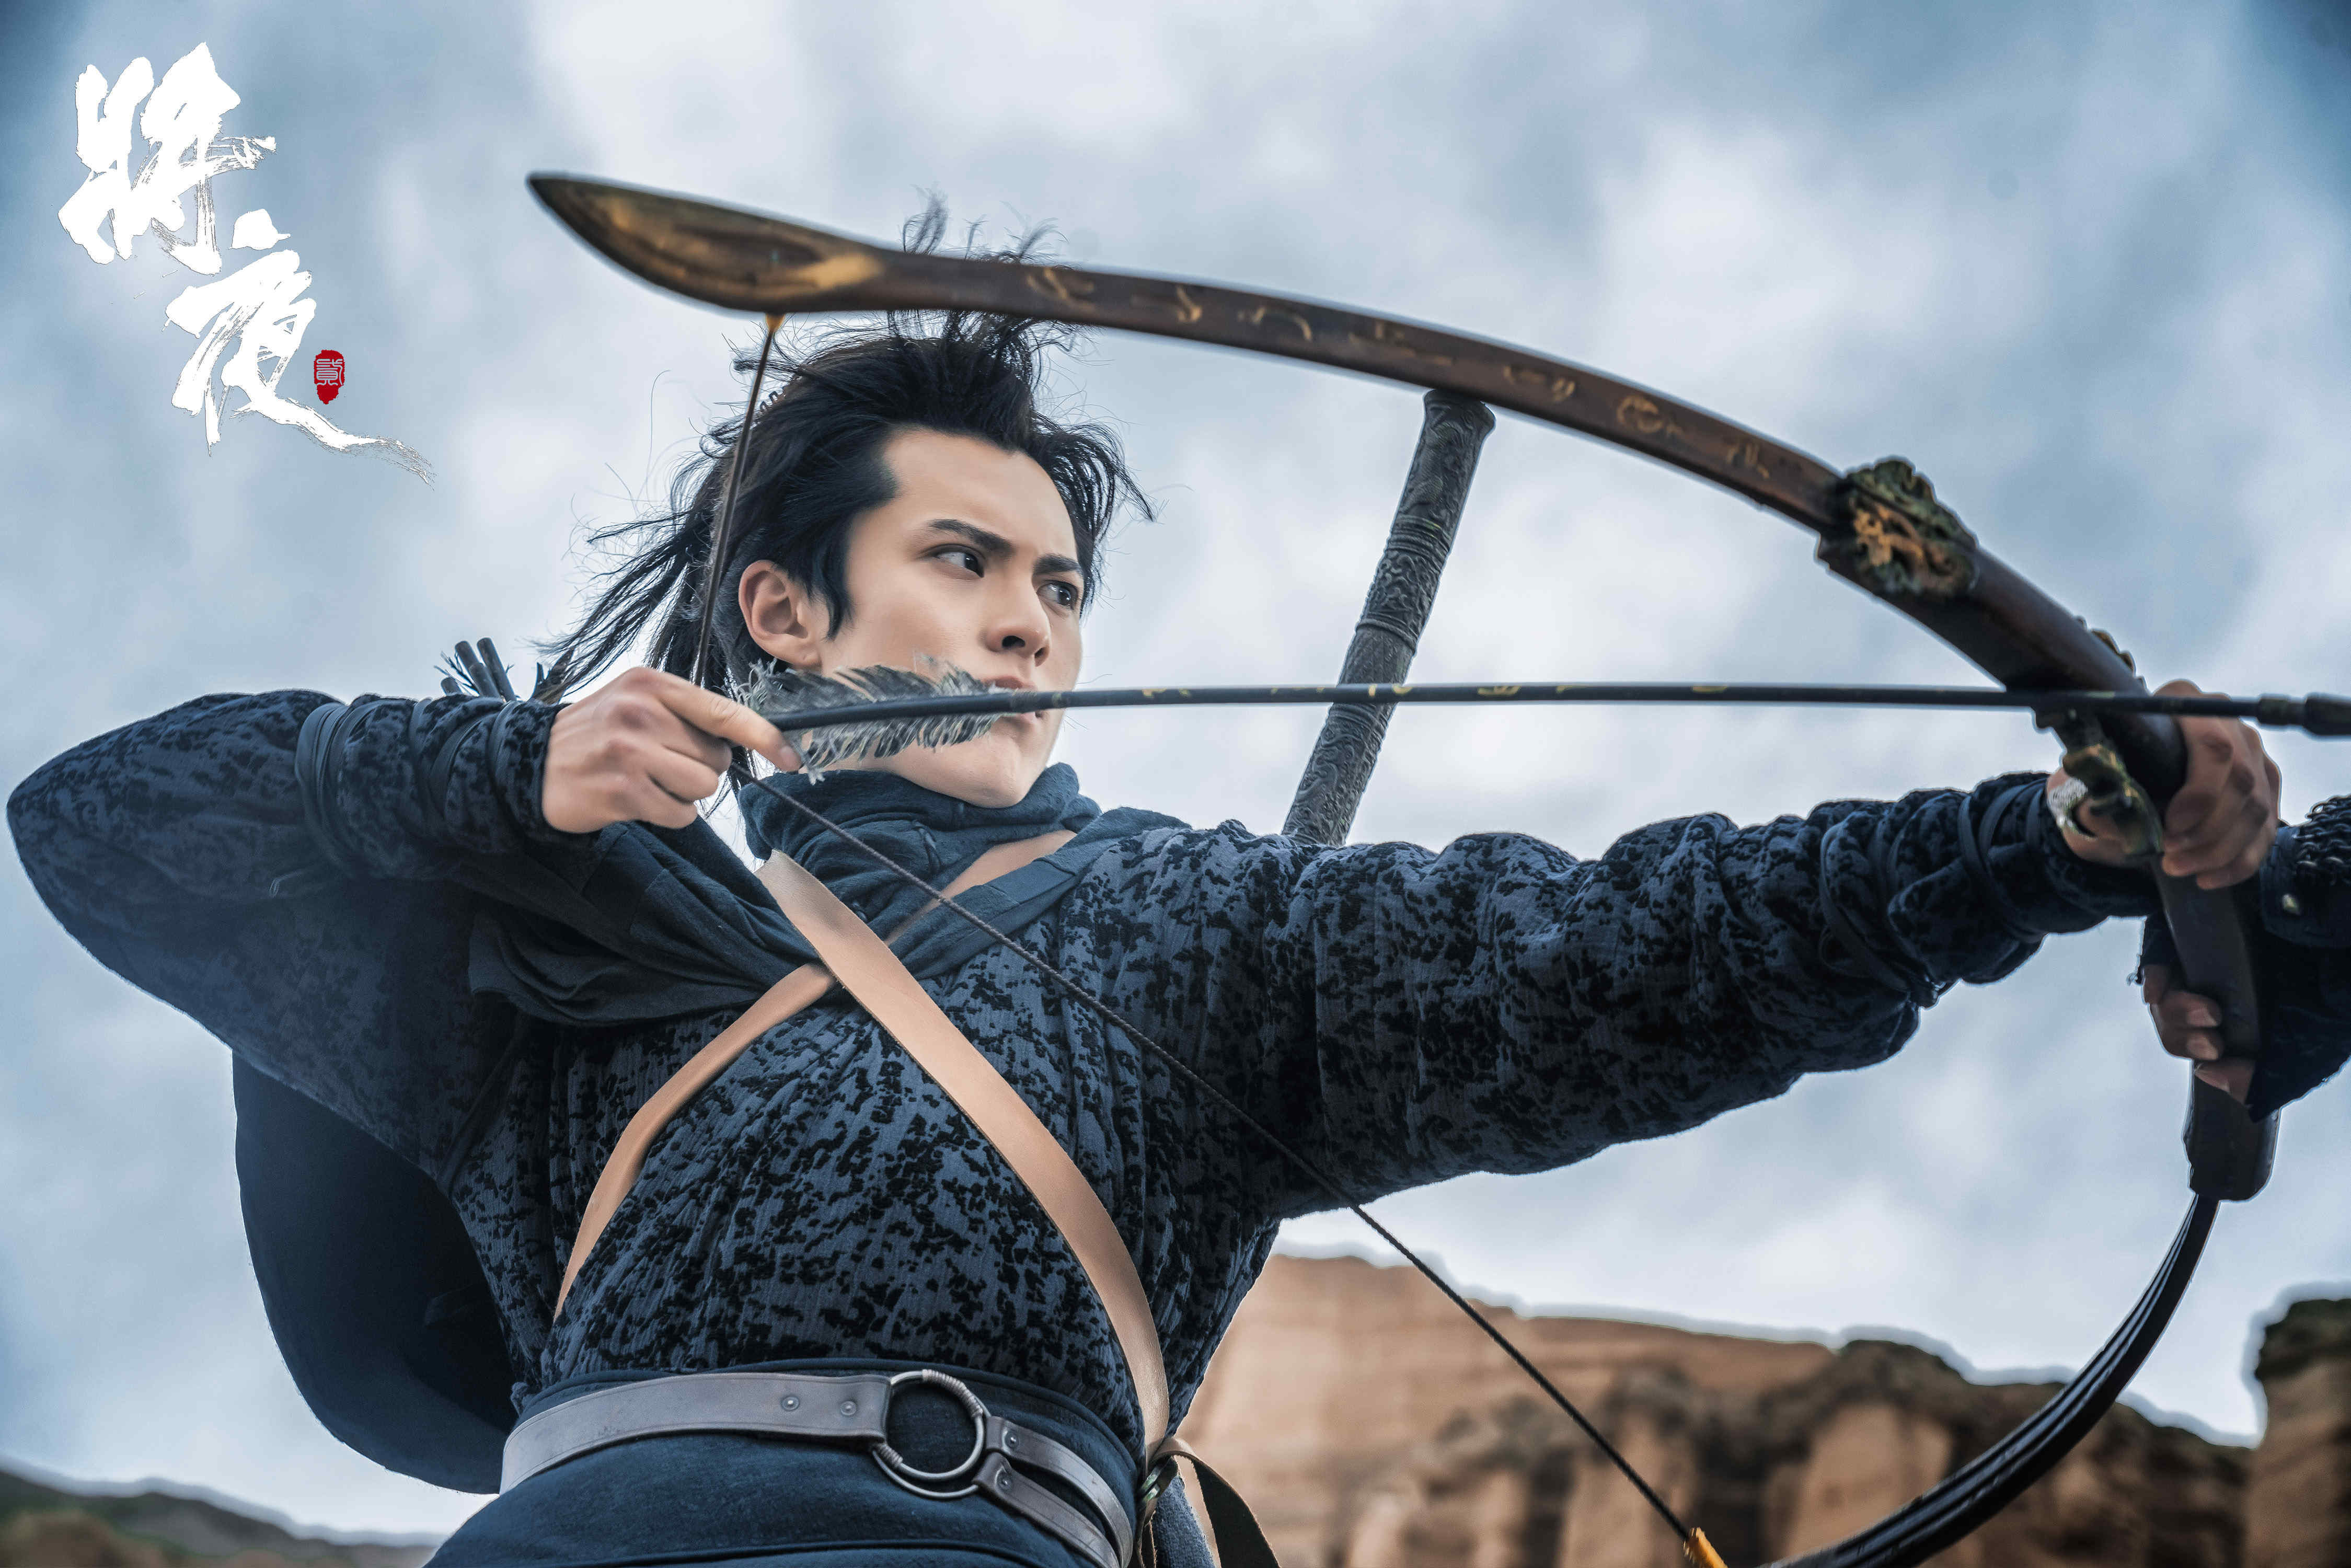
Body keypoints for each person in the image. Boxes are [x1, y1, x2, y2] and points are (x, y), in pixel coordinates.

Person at [9, 302, 2341, 1568]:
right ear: (783, 611)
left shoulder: (1188, 928)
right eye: (965, 563)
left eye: (1059, 584)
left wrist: (2051, 828)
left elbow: (1635, 949)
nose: (1033, 625)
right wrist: (485, 775)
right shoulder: (575, 930)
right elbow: (97, 826)